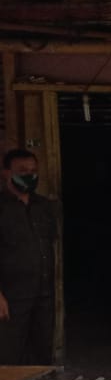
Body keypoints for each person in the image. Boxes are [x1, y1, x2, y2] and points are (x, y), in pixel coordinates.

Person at [0, 149, 59, 365]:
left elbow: (50, 243)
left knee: (42, 350)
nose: (29, 175)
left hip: (43, 293)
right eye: (22, 171)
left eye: (33, 171)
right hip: (11, 296)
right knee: (9, 351)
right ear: (6, 173)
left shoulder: (43, 206)